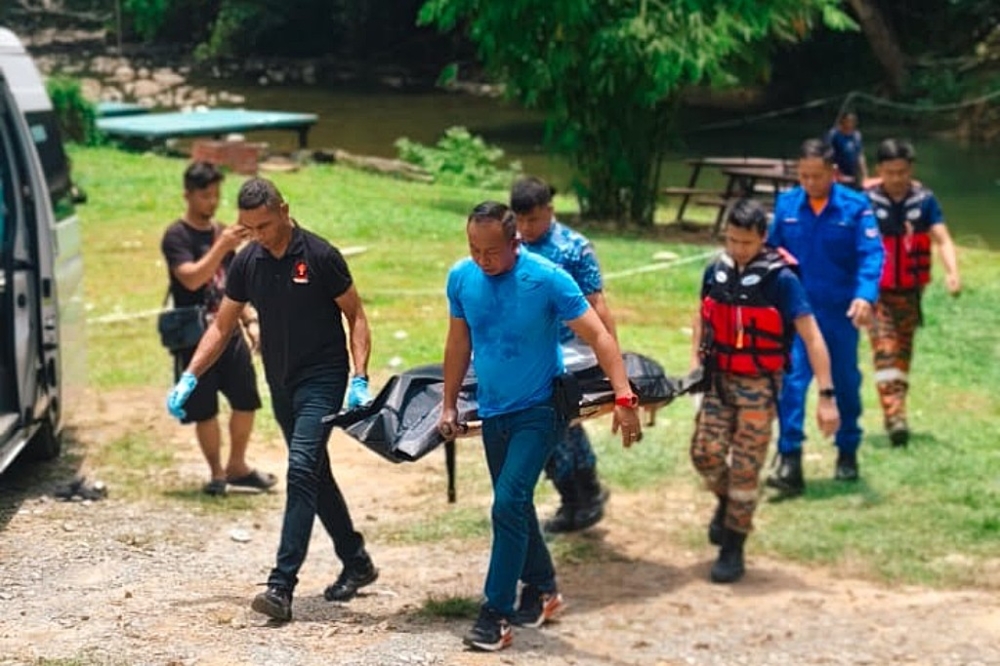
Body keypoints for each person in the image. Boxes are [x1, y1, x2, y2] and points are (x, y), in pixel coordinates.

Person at [166, 177, 377, 622]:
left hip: (323, 376)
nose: (259, 235)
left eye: (264, 225)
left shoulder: (320, 256)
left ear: (283, 209)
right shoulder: (248, 262)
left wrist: (360, 376)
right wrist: (190, 376)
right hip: (280, 380)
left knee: (300, 467)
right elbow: (223, 326)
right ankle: (357, 562)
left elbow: (355, 314)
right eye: (250, 227)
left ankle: (281, 586)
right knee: (314, 474)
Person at [438, 201, 642, 652]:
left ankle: (495, 614)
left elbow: (599, 335)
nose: (481, 259)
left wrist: (624, 396)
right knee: (517, 505)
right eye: (473, 248)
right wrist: (448, 405)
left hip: (542, 407)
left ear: (515, 243)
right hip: (494, 410)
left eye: (491, 251)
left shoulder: (546, 277)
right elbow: (458, 341)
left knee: (507, 502)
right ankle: (544, 589)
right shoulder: (462, 278)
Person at [690, 199, 839, 583]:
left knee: (745, 467)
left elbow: (811, 335)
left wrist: (826, 396)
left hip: (759, 385)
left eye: (746, 242)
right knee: (704, 454)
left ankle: (733, 546)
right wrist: (696, 366)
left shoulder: (782, 280)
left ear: (762, 239)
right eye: (732, 240)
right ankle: (726, 504)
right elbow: (702, 317)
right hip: (719, 381)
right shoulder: (715, 271)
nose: (738, 249)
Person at [766, 139, 883, 495]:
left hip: (839, 313)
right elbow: (770, 252)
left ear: (833, 173)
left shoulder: (856, 207)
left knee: (844, 383)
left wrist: (865, 295)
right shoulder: (786, 205)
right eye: (803, 176)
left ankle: (847, 450)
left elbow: (871, 255)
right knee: (791, 383)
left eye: (817, 176)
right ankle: (790, 459)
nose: (810, 183)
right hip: (797, 314)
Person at [160, 161, 275, 497]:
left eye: (216, 195)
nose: (211, 202)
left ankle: (237, 465)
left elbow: (235, 286)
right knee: (203, 408)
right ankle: (216, 474)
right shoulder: (176, 236)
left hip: (229, 331)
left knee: (246, 400)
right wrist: (222, 246)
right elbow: (192, 277)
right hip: (194, 336)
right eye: (205, 196)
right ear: (188, 195)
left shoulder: (220, 232)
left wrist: (250, 320)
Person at [510, 176, 613, 533]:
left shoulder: (574, 248)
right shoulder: (511, 246)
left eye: (533, 220)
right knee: (555, 427)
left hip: (572, 353)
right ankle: (578, 496)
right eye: (519, 220)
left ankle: (583, 494)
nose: (526, 228)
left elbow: (597, 303)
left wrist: (611, 357)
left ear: (549, 212)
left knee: (554, 424)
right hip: (526, 353)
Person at [864, 139, 961, 446]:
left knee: (903, 355)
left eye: (902, 172)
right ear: (879, 170)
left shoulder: (924, 200)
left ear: (911, 170)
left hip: (910, 294)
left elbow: (942, 238)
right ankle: (895, 418)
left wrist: (952, 273)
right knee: (885, 352)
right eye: (890, 172)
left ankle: (897, 411)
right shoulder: (865, 201)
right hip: (876, 293)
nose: (896, 179)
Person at [825, 111, 868, 188]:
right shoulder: (834, 135)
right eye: (848, 121)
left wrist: (864, 173)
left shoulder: (857, 135)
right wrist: (835, 172)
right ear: (842, 122)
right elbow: (828, 155)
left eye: (852, 122)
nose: (850, 124)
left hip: (853, 172)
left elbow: (860, 155)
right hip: (838, 172)